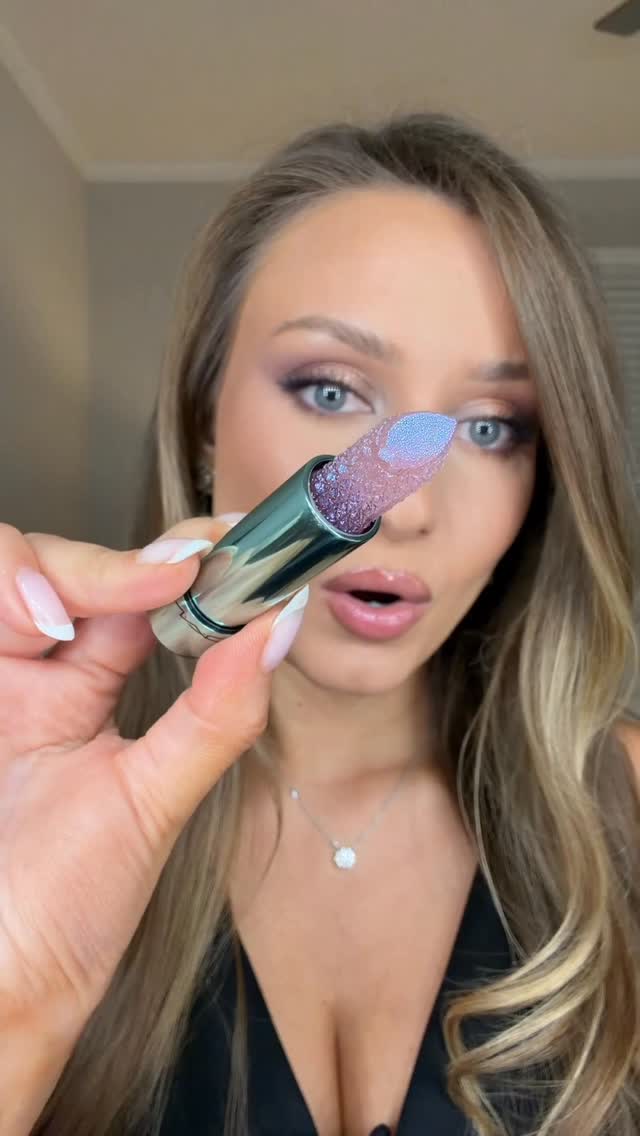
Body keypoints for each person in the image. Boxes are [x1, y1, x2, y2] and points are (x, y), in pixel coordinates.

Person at [1, 112, 639, 1136]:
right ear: (203, 419)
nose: (405, 508)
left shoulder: (624, 803)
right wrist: (16, 1006)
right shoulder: (35, 797)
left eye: (489, 427)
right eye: (332, 389)